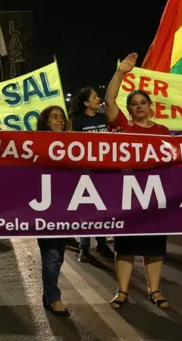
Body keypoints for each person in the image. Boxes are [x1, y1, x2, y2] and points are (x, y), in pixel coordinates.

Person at [103, 53, 170, 309]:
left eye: (143, 103)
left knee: (154, 246)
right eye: (134, 103)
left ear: (151, 106)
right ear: (129, 109)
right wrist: (121, 72)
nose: (139, 106)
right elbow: (109, 100)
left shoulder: (163, 132)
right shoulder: (122, 127)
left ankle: (155, 291)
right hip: (128, 195)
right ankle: (122, 291)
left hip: (155, 196)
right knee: (126, 246)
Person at [70, 87, 115, 261]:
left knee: (101, 210)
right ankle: (85, 247)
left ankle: (102, 244)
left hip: (103, 173)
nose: (98, 99)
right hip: (85, 174)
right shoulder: (77, 121)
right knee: (86, 210)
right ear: (86, 103)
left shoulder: (103, 118)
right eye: (94, 97)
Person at [35, 106, 72, 317]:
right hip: (46, 208)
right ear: (45, 121)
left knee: (58, 256)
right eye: (54, 117)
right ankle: (54, 298)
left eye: (61, 117)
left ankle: (48, 294)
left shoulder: (73, 143)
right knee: (51, 255)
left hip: (66, 207)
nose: (59, 121)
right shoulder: (36, 142)